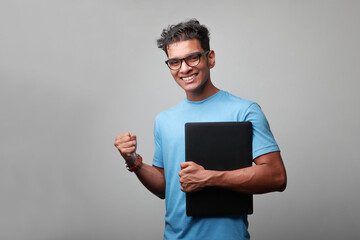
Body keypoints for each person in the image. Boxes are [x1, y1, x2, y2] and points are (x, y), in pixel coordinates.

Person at [114, 19, 287, 240]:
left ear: (210, 58)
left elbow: (276, 177)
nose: (184, 68)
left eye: (192, 57)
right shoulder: (164, 120)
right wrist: (133, 160)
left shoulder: (245, 111)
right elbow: (166, 188)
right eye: (175, 62)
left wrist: (209, 178)